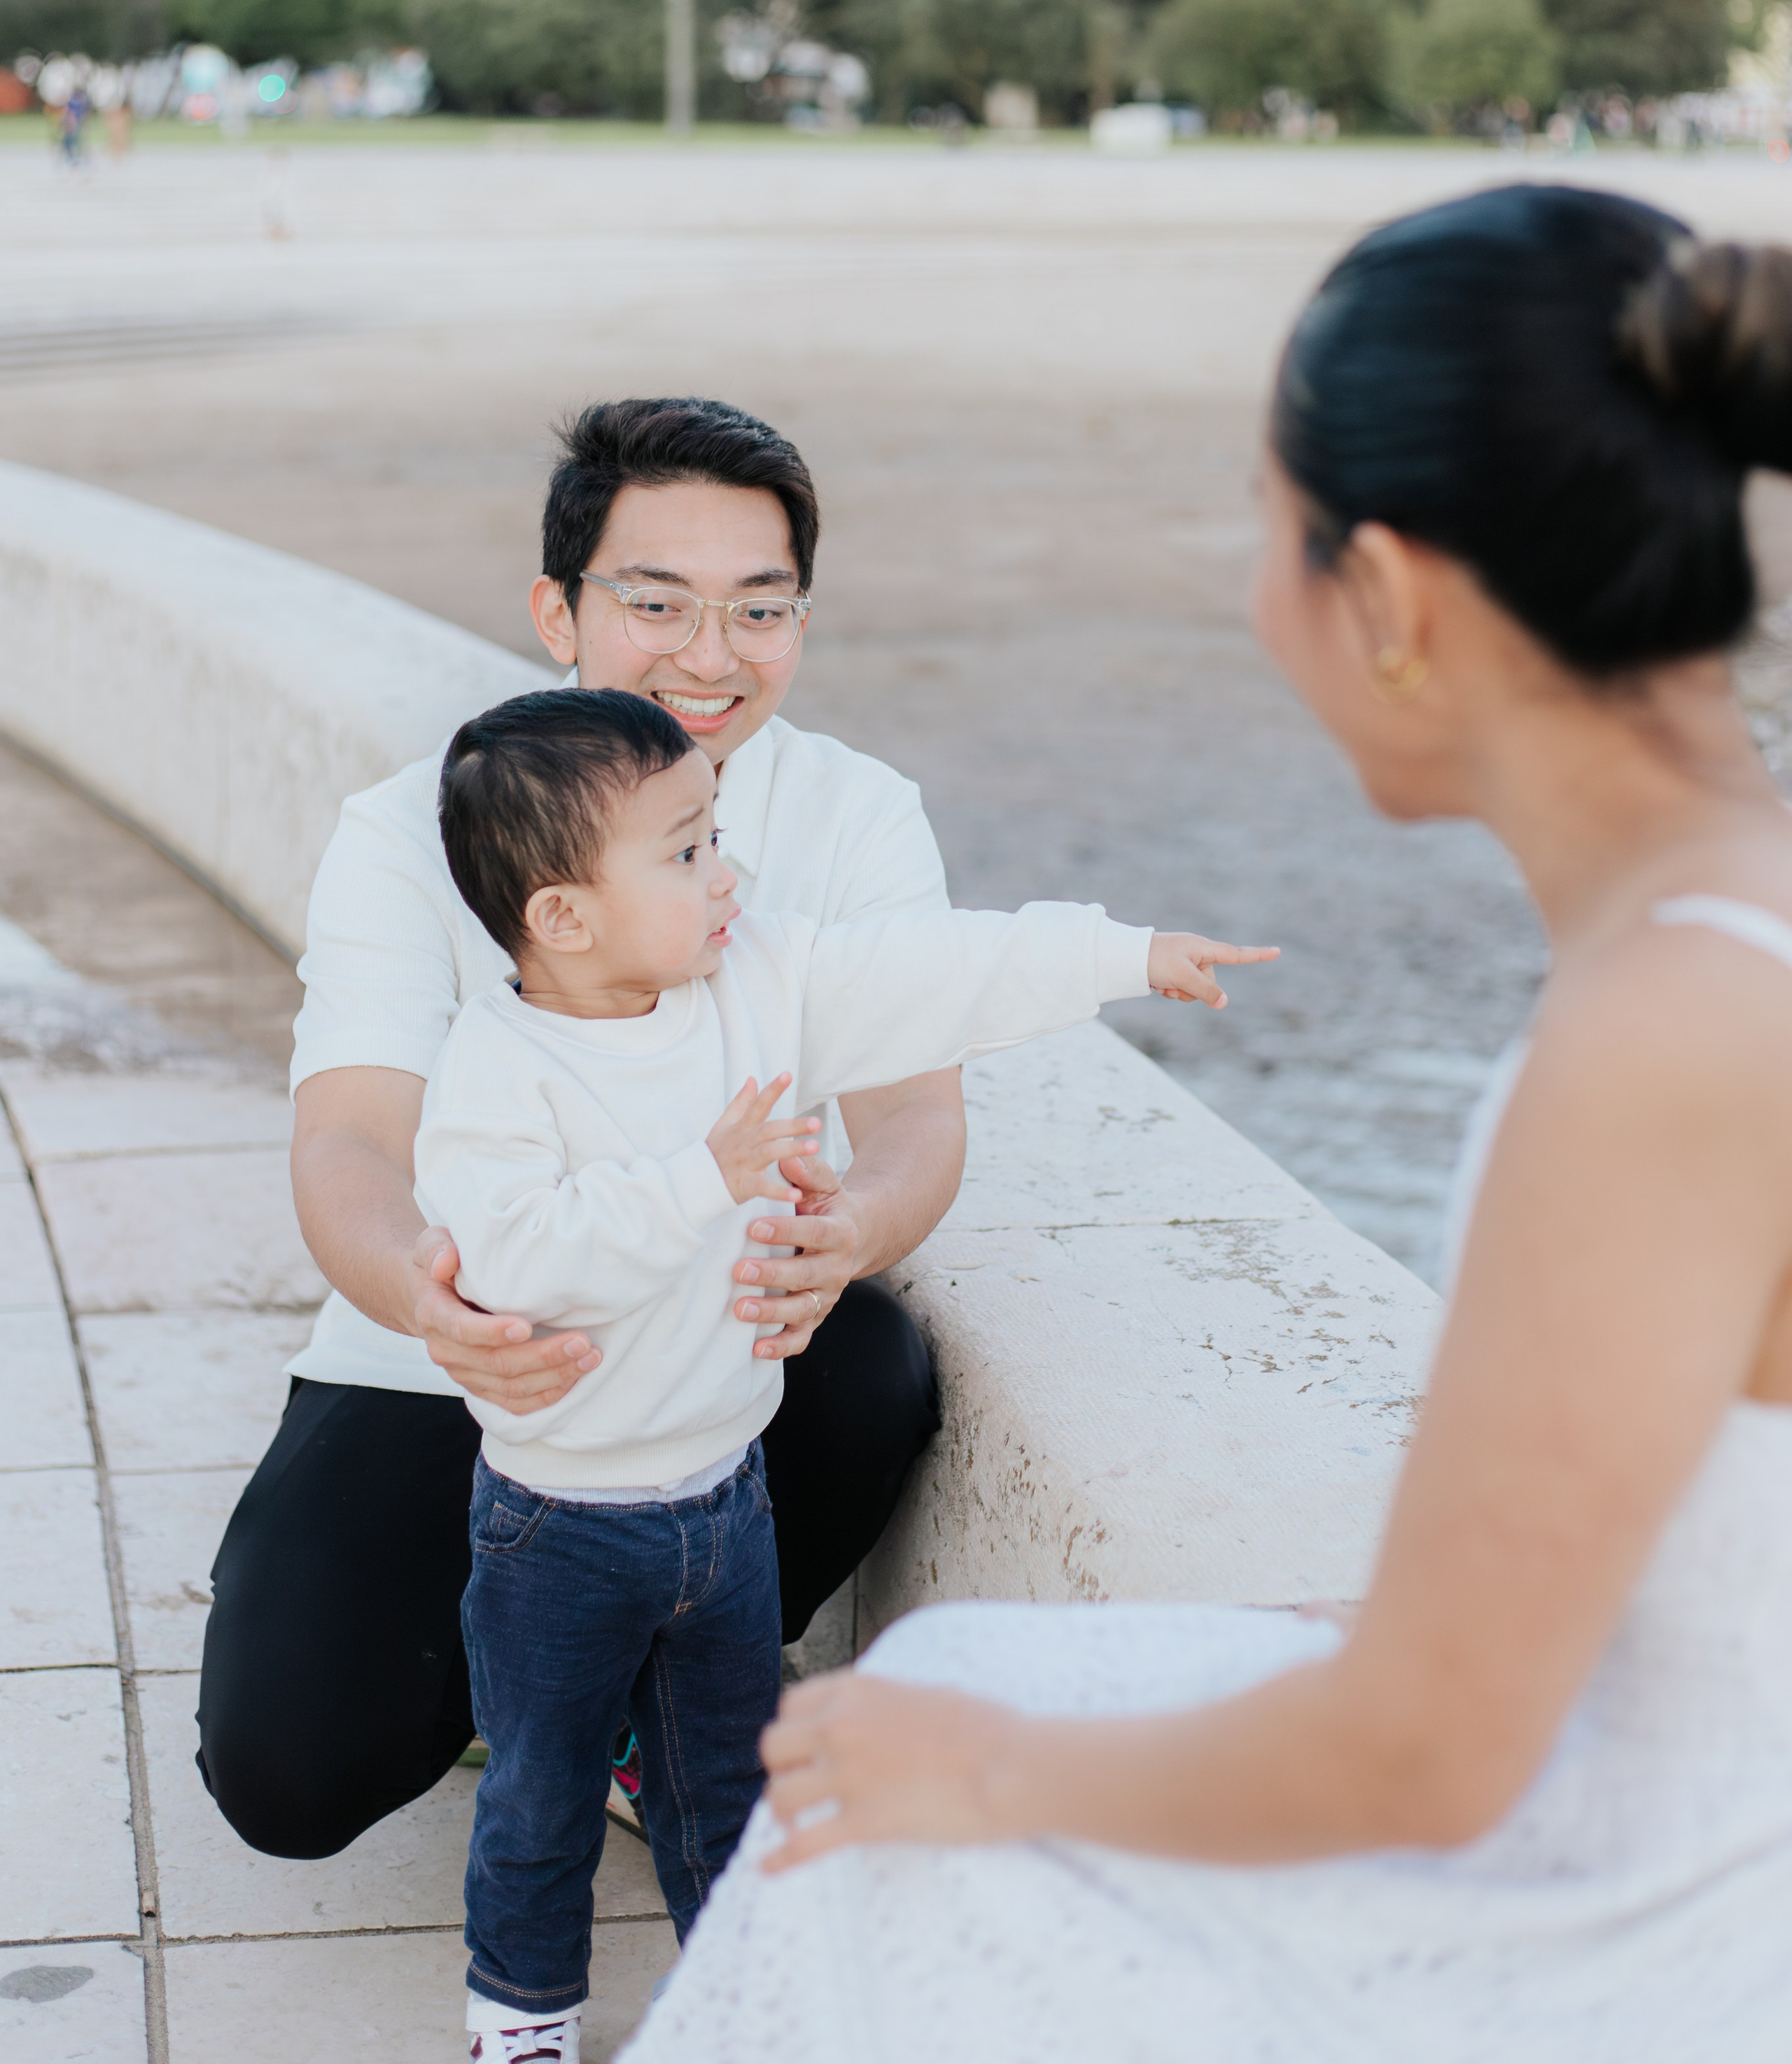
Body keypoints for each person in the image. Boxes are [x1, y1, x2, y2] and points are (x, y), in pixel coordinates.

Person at [629, 188, 1792, 2064]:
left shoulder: (1664, 1036)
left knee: (869, 1833)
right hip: (1704, 1805)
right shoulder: (1734, 928)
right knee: (948, 1669)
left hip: (1670, 1938)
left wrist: (992, 1777)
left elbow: (1428, 1749)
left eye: (1271, 536)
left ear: (1393, 597)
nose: (1259, 605)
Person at [421, 686, 1269, 2056]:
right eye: (686, 853)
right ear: (562, 916)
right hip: (557, 1525)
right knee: (538, 1794)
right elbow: (524, 1260)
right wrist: (703, 1180)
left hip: (723, 1501)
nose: (729, 878)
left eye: (717, 837)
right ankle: (521, 2017)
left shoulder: (756, 972)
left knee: (731, 1793)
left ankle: (751, 2001)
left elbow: (933, 968)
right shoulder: (497, 1069)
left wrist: (1125, 952)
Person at [197, 401, 972, 1857]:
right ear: (557, 610)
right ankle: (536, 1669)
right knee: (286, 1777)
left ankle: (636, 1698)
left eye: (760, 607)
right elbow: (349, 1136)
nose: (710, 652)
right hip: (455, 1352)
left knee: (870, 1366)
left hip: (709, 1349)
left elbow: (917, 1114)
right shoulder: (406, 825)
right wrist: (424, 1294)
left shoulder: (857, 816)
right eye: (654, 601)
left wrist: (855, 1228)